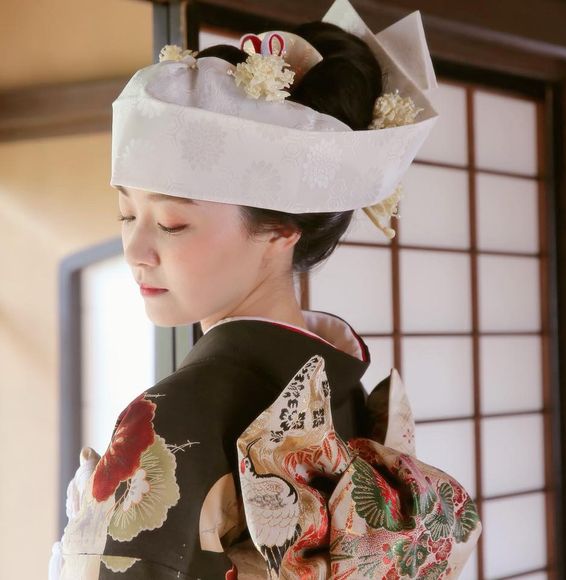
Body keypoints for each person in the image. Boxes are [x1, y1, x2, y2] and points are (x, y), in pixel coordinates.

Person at [51, 1, 481, 578]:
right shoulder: (346, 387)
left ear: (281, 228)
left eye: (172, 223)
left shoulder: (172, 419)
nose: (135, 250)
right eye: (127, 215)